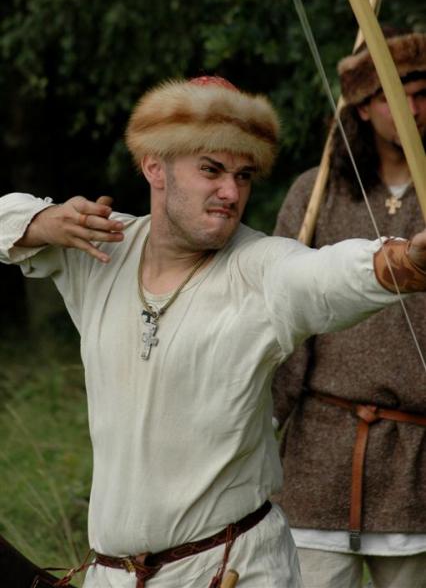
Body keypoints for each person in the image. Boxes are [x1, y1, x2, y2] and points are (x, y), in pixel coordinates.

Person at [1, 75, 426, 588]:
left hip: (233, 570)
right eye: (211, 170)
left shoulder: (260, 267)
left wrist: (405, 261)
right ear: (154, 165)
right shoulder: (100, 248)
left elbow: (325, 275)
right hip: (114, 575)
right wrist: (43, 220)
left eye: (243, 176)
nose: (231, 192)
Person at [273, 30, 426, 588]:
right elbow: (283, 319)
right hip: (319, 460)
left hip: (418, 465)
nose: (413, 109)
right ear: (362, 107)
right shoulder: (315, 193)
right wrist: (260, 423)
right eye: (395, 96)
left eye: (422, 94)